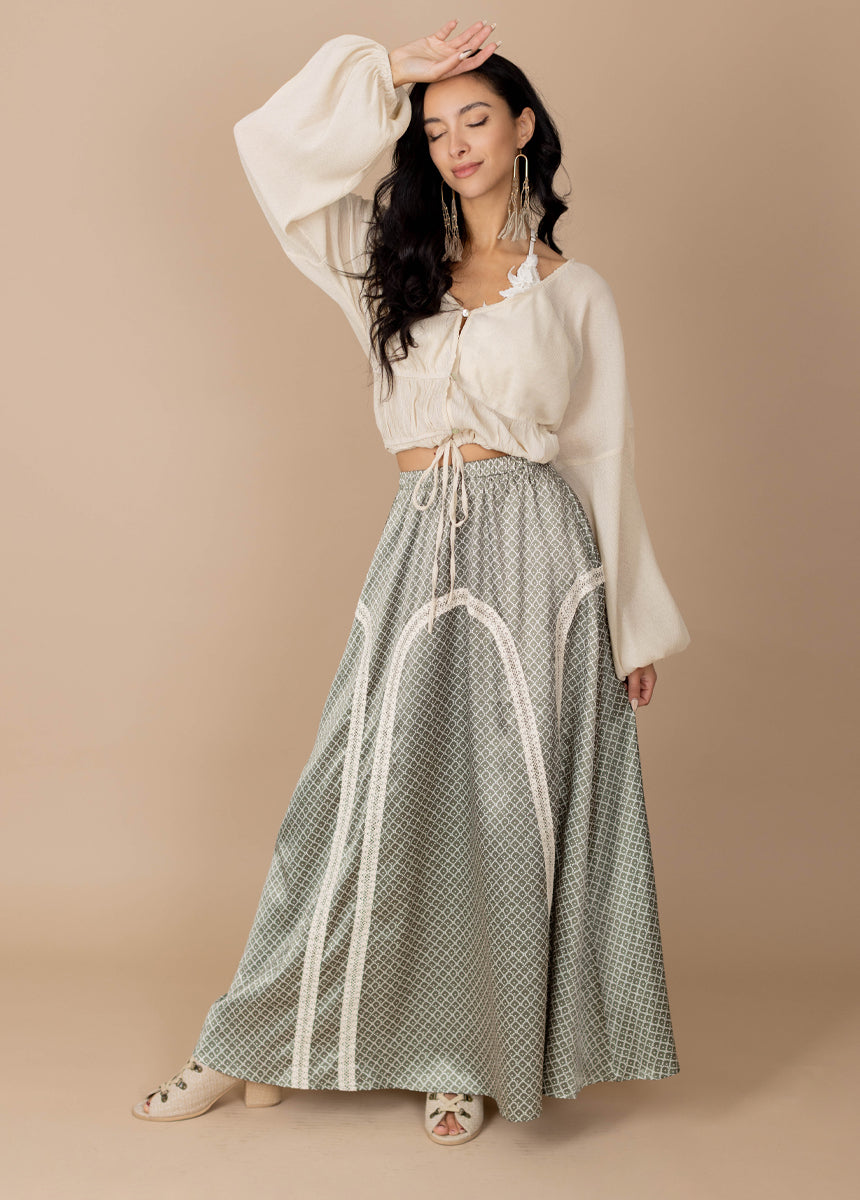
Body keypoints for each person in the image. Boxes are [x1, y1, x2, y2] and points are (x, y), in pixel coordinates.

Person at [132, 17, 691, 1145]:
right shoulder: (387, 264)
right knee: (349, 792)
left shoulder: (575, 293)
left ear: (523, 128)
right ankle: (248, 1040)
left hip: (538, 553)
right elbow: (269, 150)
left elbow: (605, 454)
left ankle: (466, 1055)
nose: (456, 144)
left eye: (475, 118)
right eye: (435, 130)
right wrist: (385, 71)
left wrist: (631, 623)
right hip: (418, 541)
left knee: (503, 806)